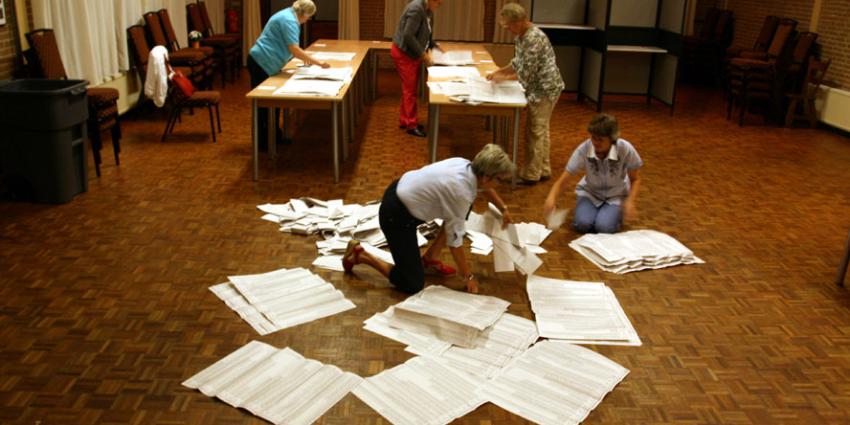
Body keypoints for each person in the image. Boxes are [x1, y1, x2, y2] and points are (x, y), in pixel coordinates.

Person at [343, 144, 515, 294]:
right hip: (396, 217)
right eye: (500, 180)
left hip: (401, 192)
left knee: (461, 211)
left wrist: (503, 208)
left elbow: (483, 188)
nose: (500, 184)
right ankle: (361, 255)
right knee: (412, 283)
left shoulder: (465, 165)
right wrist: (468, 276)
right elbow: (455, 242)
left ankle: (430, 258)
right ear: (486, 177)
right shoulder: (461, 193)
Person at [487, 3, 564, 185]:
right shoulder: (522, 36)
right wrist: (500, 71)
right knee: (541, 130)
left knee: (535, 131)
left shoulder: (533, 38)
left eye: (509, 26)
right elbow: (517, 62)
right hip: (540, 87)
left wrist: (503, 79)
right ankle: (542, 169)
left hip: (545, 88)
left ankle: (531, 175)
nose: (508, 30)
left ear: (520, 22)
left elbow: (525, 74)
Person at [248, 0, 330, 150]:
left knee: (274, 103)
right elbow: (294, 49)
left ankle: (275, 136)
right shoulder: (289, 21)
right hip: (262, 62)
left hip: (267, 62)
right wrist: (319, 63)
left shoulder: (287, 14)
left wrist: (305, 58)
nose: (307, 20)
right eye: (308, 17)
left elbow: (288, 46)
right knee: (263, 105)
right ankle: (262, 143)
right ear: (303, 13)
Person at [543, 114, 643, 234]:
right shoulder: (584, 149)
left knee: (604, 228)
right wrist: (551, 197)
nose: (595, 143)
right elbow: (564, 179)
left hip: (616, 195)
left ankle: (612, 214)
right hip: (590, 193)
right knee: (581, 225)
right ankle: (597, 213)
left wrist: (630, 201)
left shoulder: (625, 149)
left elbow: (635, 179)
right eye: (593, 138)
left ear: (612, 139)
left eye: (600, 139)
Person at [391, 0, 444, 138]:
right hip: (404, 54)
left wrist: (434, 46)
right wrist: (424, 55)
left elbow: (426, 34)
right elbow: (408, 36)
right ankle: (411, 125)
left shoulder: (427, 10)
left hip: (412, 54)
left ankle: (405, 120)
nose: (440, 5)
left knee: (409, 88)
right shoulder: (416, 9)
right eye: (438, 2)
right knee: (410, 90)